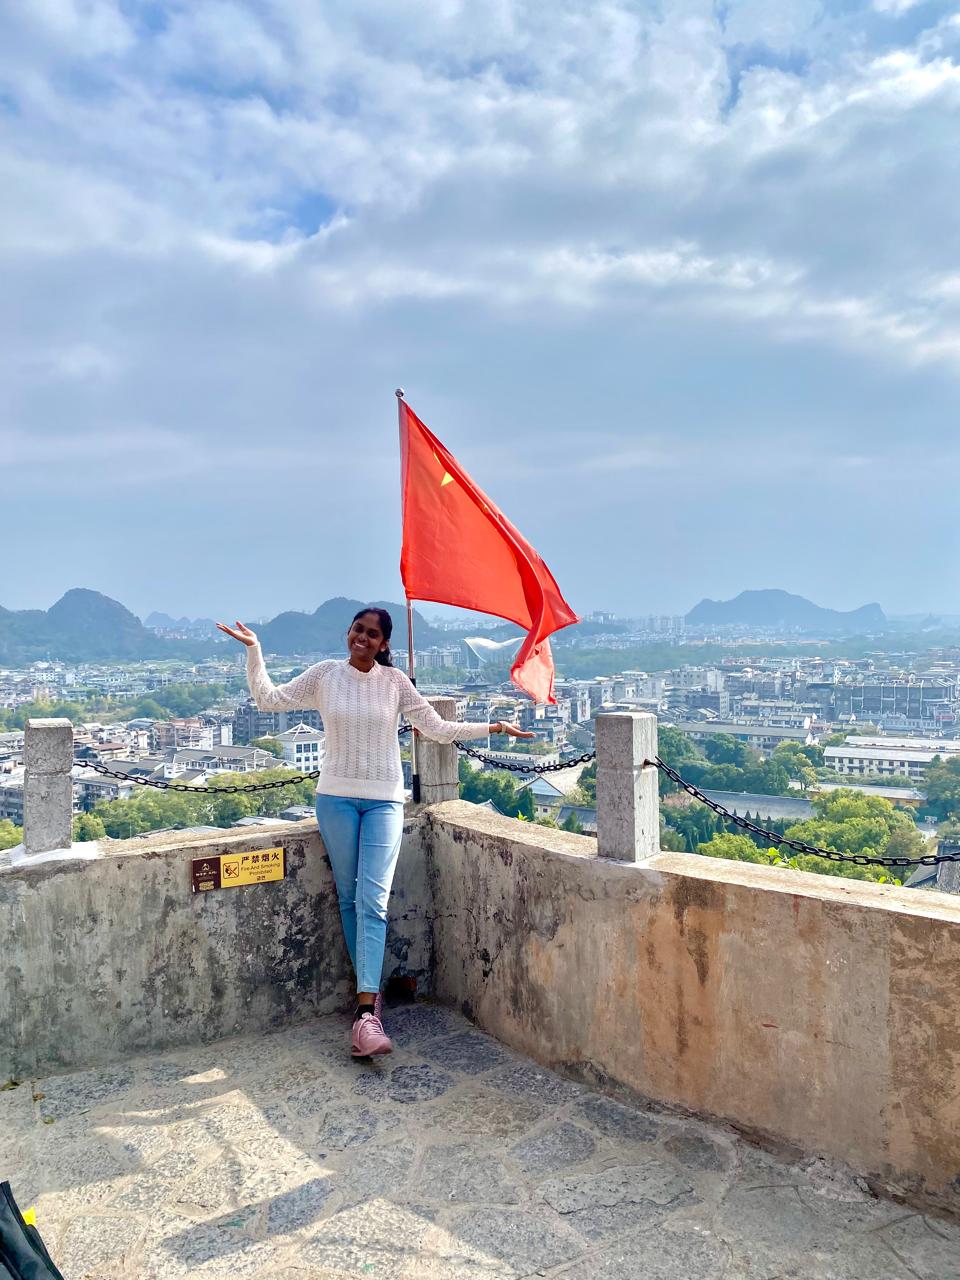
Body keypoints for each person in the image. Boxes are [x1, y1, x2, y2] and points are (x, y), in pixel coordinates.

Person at [216, 607, 534, 1058]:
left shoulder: (394, 682)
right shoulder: (326, 675)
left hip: (384, 799)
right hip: (335, 799)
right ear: (349, 633)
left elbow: (437, 729)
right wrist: (255, 651)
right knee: (349, 899)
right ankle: (369, 997)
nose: (361, 638)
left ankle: (366, 1013)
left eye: (372, 634)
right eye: (357, 630)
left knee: (373, 899)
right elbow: (270, 699)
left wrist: (494, 726)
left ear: (384, 643)